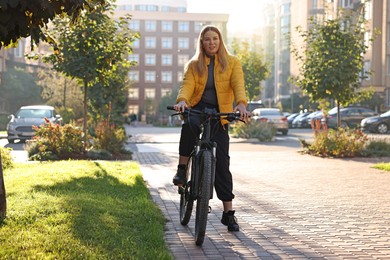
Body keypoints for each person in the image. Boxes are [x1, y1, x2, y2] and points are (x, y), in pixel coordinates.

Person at [172, 25, 250, 232]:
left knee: (222, 162)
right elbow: (186, 86)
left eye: (215, 38)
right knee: (188, 125)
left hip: (220, 114)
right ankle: (182, 170)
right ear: (202, 42)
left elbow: (238, 85)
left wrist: (241, 104)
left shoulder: (232, 63)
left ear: (220, 40)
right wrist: (182, 101)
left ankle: (228, 213)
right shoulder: (194, 64)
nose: (211, 42)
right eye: (207, 39)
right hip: (197, 109)